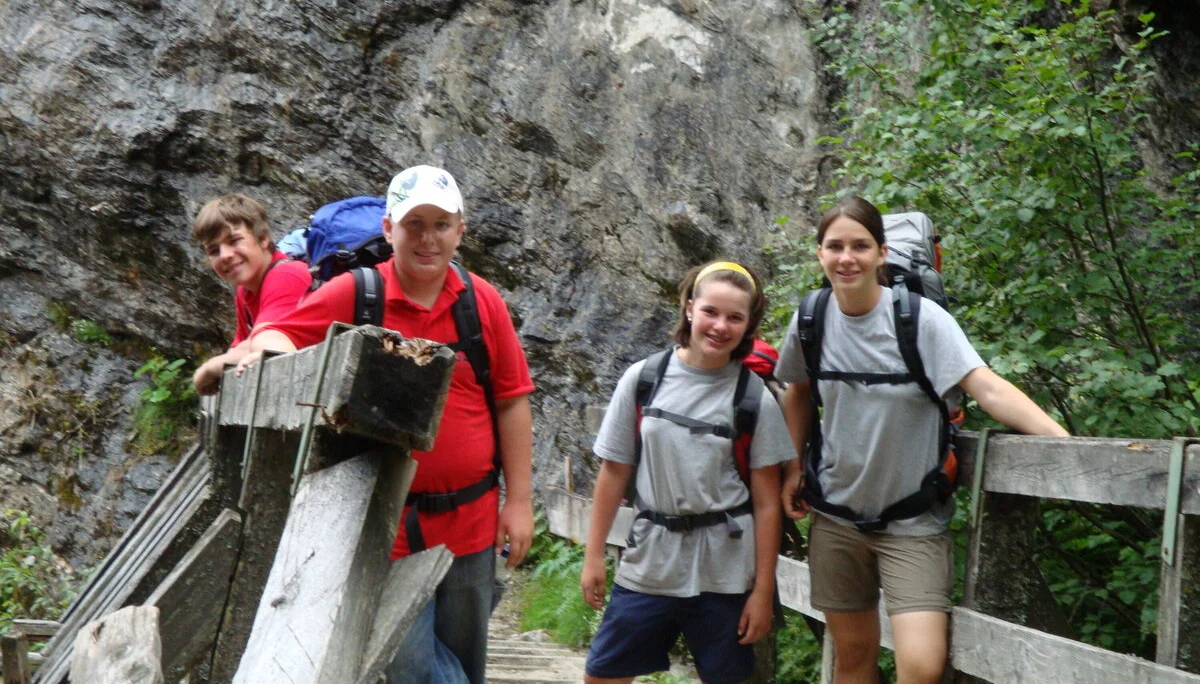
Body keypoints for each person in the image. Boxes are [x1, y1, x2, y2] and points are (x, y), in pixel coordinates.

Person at [238, 165, 535, 684]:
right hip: (384, 527)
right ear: (388, 228)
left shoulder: (480, 301)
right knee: (410, 665)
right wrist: (249, 357)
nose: (427, 238)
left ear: (459, 231)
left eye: (440, 225)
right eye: (413, 223)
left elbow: (511, 400)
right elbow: (284, 336)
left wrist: (521, 503)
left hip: (471, 520)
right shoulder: (357, 294)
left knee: (464, 662)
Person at [776, 195, 1069, 684]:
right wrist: (791, 467)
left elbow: (987, 386)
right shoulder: (811, 319)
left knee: (921, 665)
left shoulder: (920, 320)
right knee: (852, 658)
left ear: (881, 253)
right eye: (835, 246)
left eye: (860, 246)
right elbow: (798, 390)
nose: (847, 257)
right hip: (836, 517)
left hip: (912, 522)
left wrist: (1064, 444)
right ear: (820, 254)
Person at [580, 261, 789, 684]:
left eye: (735, 317)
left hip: (727, 570)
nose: (720, 326)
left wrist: (763, 591)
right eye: (711, 311)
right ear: (689, 307)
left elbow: (768, 503)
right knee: (602, 676)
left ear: (748, 325)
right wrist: (593, 555)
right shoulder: (644, 379)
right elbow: (613, 472)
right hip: (650, 561)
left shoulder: (753, 398)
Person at [190, 193, 312, 395]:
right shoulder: (244, 292)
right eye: (214, 251)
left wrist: (209, 368)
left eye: (235, 240)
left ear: (263, 239)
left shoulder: (287, 275)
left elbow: (264, 345)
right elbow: (239, 350)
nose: (225, 255)